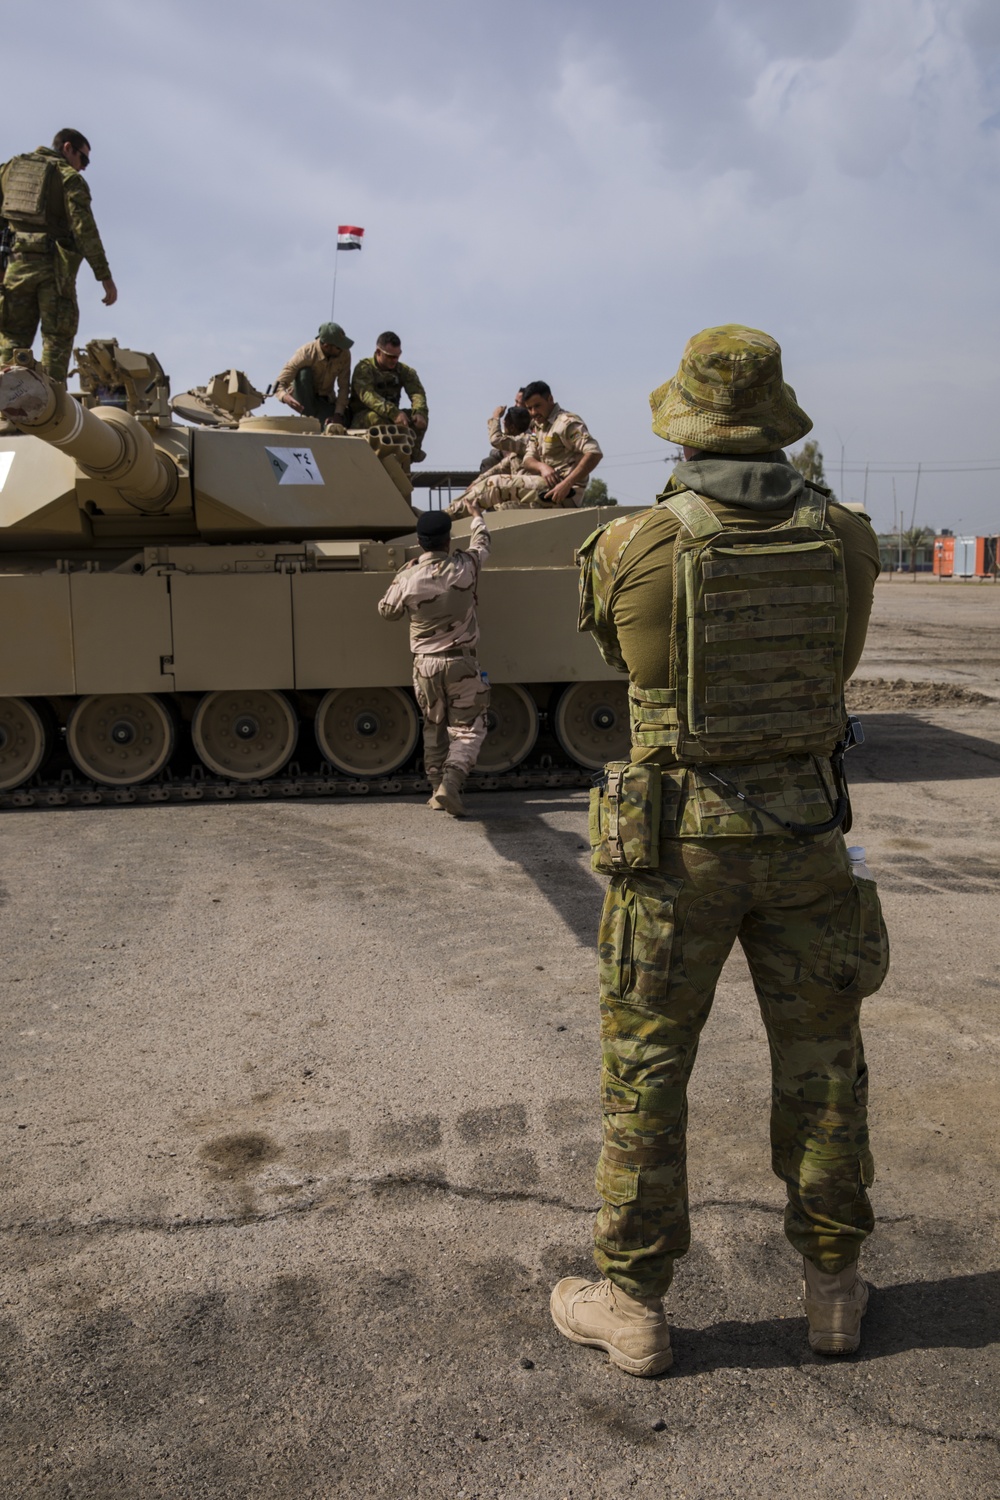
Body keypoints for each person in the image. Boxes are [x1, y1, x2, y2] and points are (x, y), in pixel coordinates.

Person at [549, 325, 888, 1377]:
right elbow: (838, 661)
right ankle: (832, 1291)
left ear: (682, 426)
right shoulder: (848, 537)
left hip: (675, 848)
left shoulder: (633, 543)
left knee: (646, 1072)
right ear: (777, 416)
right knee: (824, 1066)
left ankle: (635, 1305)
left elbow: (620, 653)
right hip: (805, 837)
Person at [377, 502, 490, 816]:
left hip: (425, 665)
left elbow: (387, 611)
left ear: (419, 540)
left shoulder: (409, 577)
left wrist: (405, 572)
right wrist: (477, 516)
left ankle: (435, 787)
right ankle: (450, 785)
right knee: (468, 729)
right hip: (461, 663)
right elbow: (482, 543)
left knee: (434, 726)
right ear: (448, 540)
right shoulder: (467, 565)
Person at [0, 128, 117, 385]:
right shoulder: (68, 178)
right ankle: (50, 412)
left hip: (13, 268)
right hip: (53, 270)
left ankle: (6, 411)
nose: (83, 167)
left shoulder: (9, 169)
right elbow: (85, 231)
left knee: (10, 340)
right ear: (67, 148)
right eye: (83, 159)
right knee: (56, 339)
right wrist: (104, 276)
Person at [479, 380, 602, 509]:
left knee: (497, 484)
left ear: (550, 399)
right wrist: (542, 467)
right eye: (529, 408)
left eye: (537, 406)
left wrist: (567, 484)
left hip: (565, 494)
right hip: (545, 490)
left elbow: (594, 453)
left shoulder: (566, 423)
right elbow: (527, 459)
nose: (533, 412)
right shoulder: (539, 428)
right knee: (500, 506)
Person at [348, 331, 428, 461]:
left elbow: (417, 392)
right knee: (376, 418)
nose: (395, 360)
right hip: (363, 417)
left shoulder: (404, 371)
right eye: (390, 356)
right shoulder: (364, 369)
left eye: (397, 356)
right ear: (378, 352)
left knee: (420, 419)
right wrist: (394, 412)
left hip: (392, 417)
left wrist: (419, 412)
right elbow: (368, 396)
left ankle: (410, 453)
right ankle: (382, 454)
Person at [273, 321, 353, 425]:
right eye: (338, 347)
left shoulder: (344, 354)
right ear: (326, 346)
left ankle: (317, 421)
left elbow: (344, 386)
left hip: (325, 399)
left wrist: (338, 414)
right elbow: (279, 383)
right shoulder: (306, 353)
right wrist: (285, 397)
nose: (342, 349)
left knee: (339, 423)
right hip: (303, 397)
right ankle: (310, 419)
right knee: (304, 373)